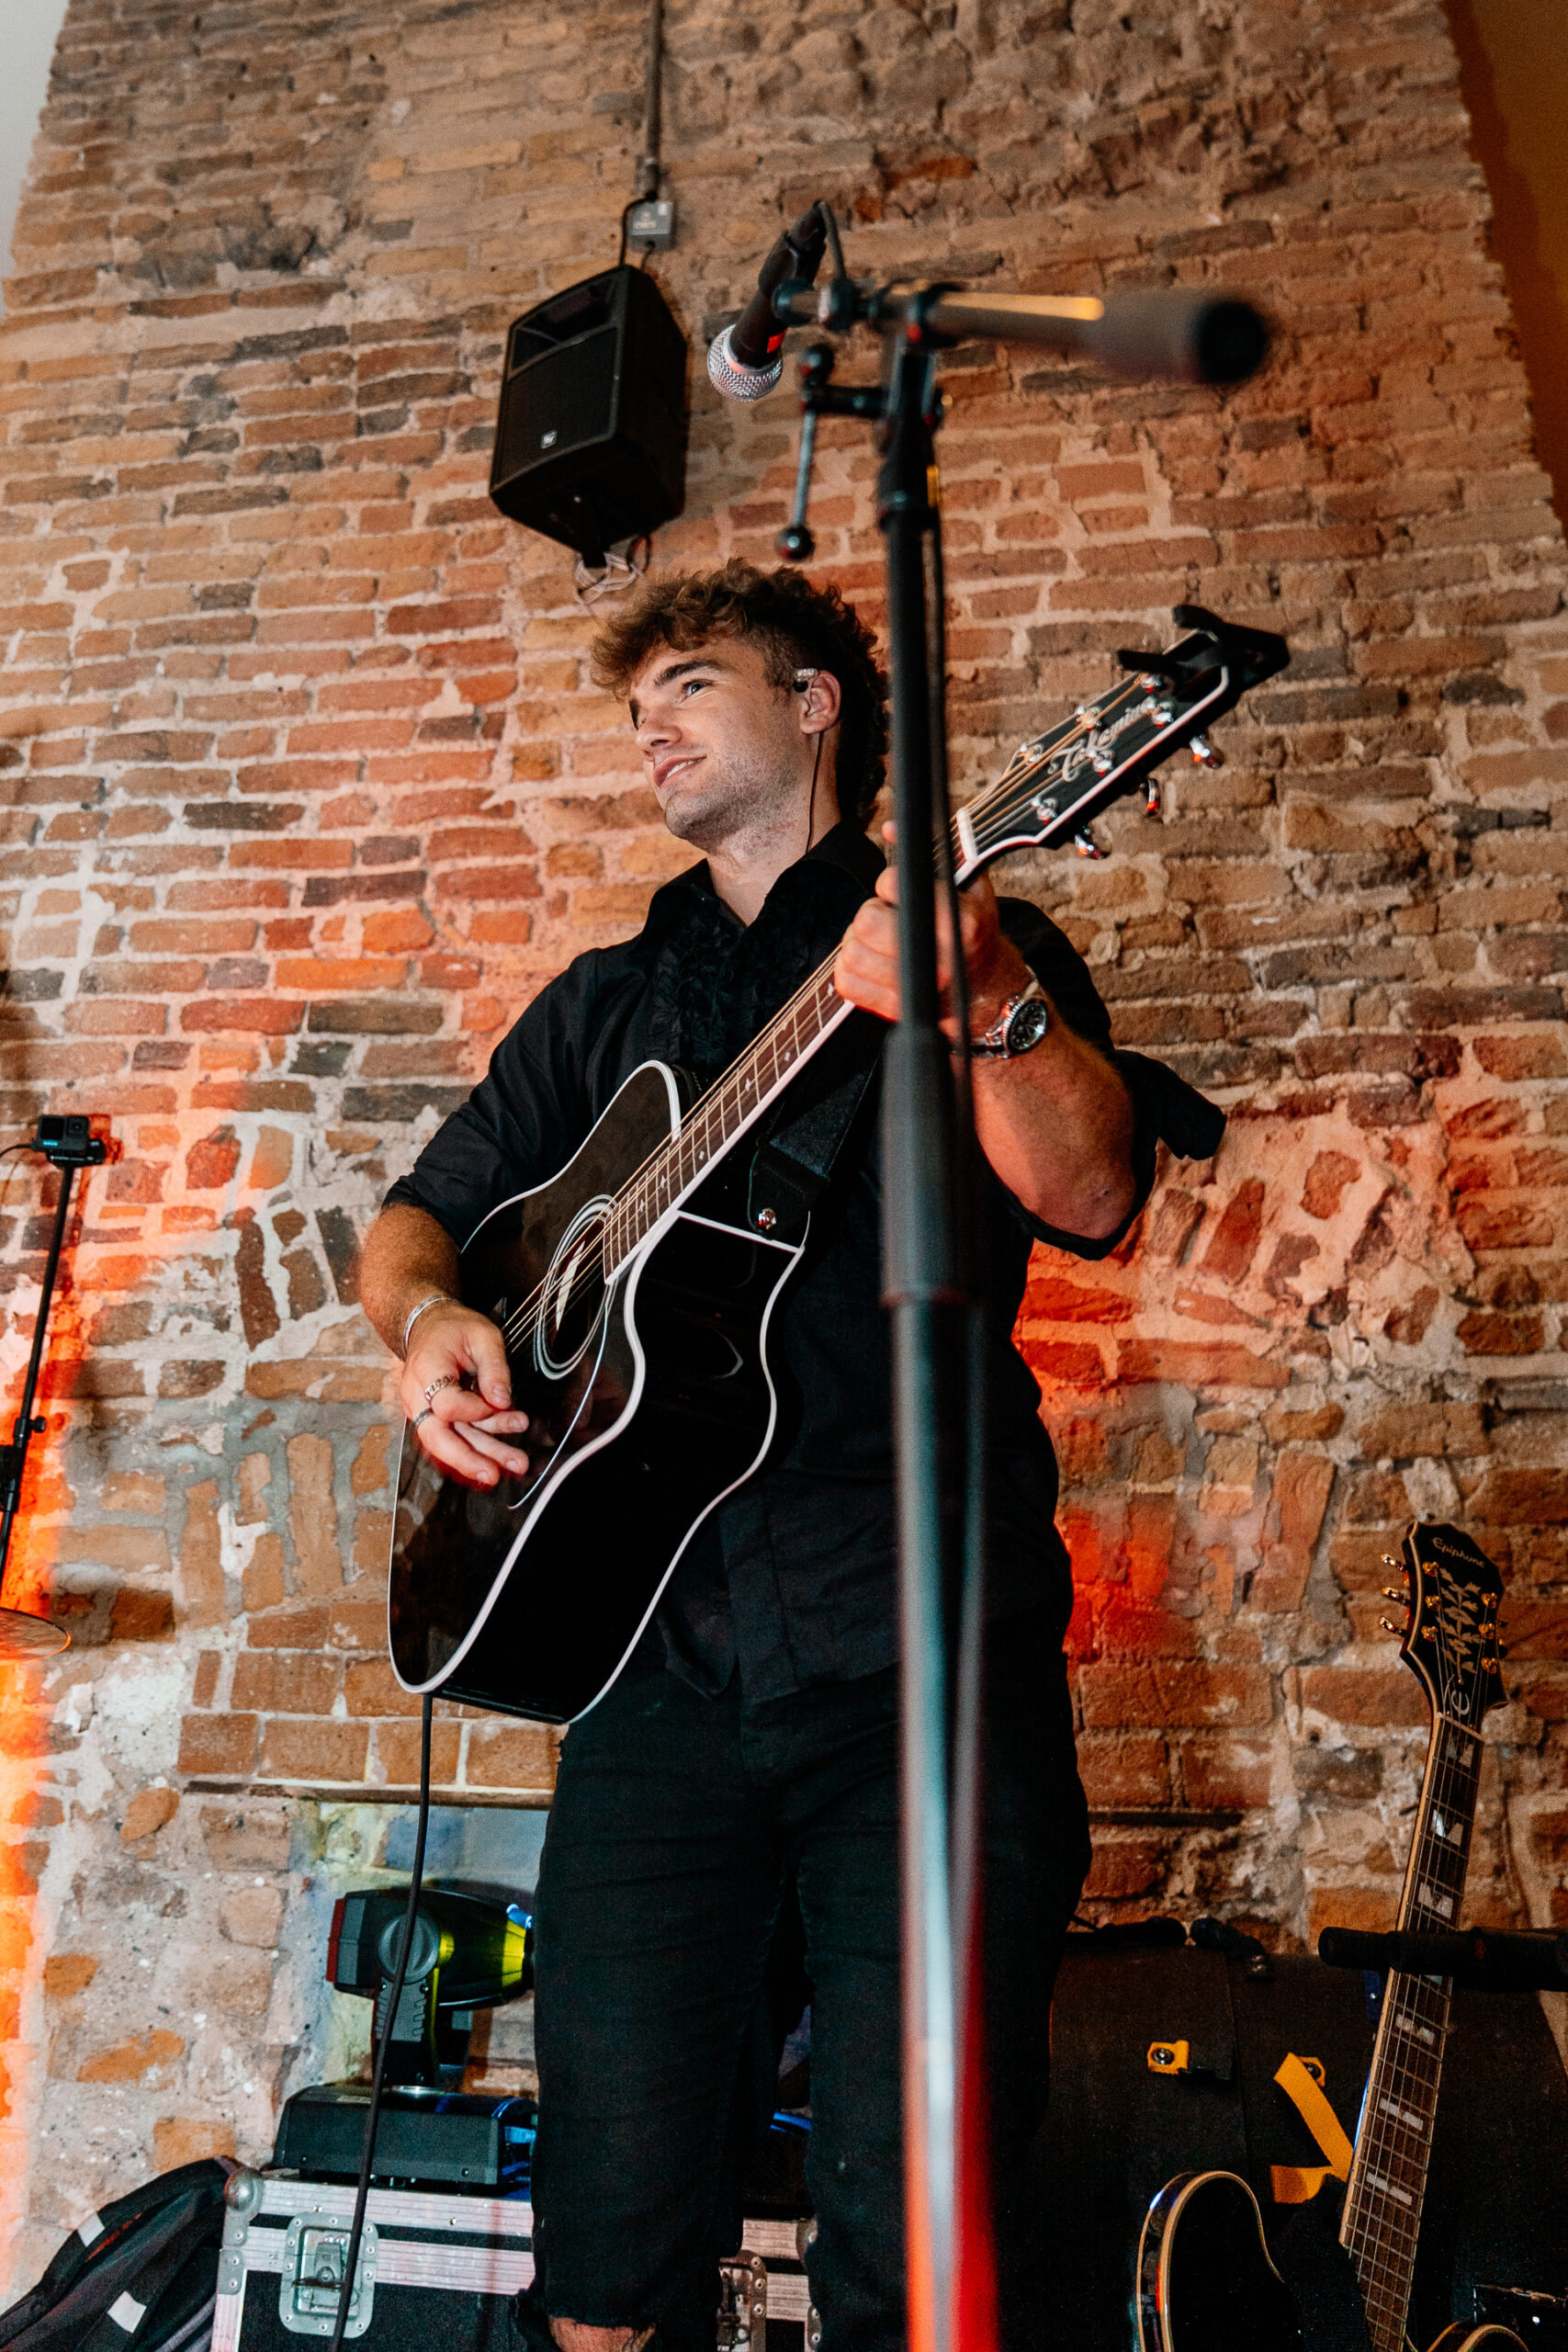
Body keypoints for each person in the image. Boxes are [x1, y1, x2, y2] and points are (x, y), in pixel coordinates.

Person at [357, 560, 1223, 2352]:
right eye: (632, 708)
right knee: (599, 2245)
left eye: (687, 684)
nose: (648, 727)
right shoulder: (606, 1001)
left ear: (817, 699)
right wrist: (427, 1323)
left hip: (915, 1657)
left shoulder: (969, 934)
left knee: (912, 2251)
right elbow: (416, 1218)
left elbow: (1095, 1189)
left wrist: (982, 998)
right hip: (650, 1675)